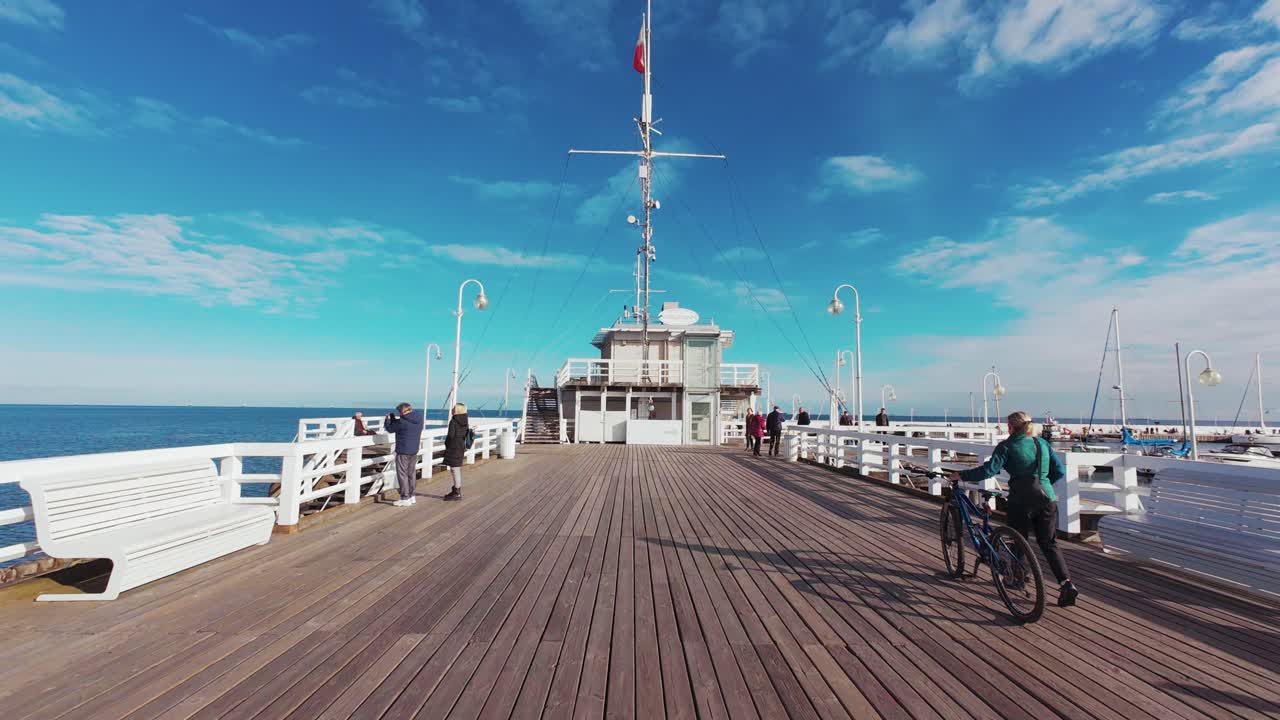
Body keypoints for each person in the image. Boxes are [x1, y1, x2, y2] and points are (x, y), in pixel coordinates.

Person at [952, 411, 1079, 608]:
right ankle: (1066, 584)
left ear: (1011, 427)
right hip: (1047, 499)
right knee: (1049, 543)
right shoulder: (1041, 444)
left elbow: (988, 471)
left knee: (1018, 540)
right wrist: (1043, 484)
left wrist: (962, 475)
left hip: (1021, 500)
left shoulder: (1007, 446)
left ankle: (1018, 578)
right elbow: (1059, 471)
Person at [383, 402, 424, 507]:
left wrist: (387, 420)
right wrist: (394, 419)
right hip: (414, 450)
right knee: (411, 473)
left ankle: (405, 498)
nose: (399, 414)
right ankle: (412, 496)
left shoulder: (402, 422)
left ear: (402, 411)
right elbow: (402, 423)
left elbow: (390, 429)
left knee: (402, 474)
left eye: (399, 412)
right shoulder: (419, 419)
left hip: (403, 451)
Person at [443, 403, 470, 501]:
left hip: (453, 447)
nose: (452, 410)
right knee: (456, 468)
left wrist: (446, 444)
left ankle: (457, 491)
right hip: (461, 446)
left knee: (454, 469)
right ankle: (456, 489)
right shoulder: (465, 420)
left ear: (456, 410)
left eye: (453, 408)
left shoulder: (454, 421)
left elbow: (450, 435)